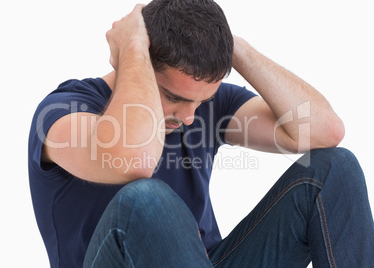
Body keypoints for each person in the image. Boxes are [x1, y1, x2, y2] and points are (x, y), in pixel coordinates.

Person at [28, 0, 374, 267]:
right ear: (138, 62)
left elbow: (324, 131)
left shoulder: (202, 107)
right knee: (146, 198)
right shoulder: (63, 112)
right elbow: (134, 160)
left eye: (202, 100)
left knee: (334, 168)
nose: (191, 116)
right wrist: (133, 46)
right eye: (174, 97)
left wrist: (228, 45)